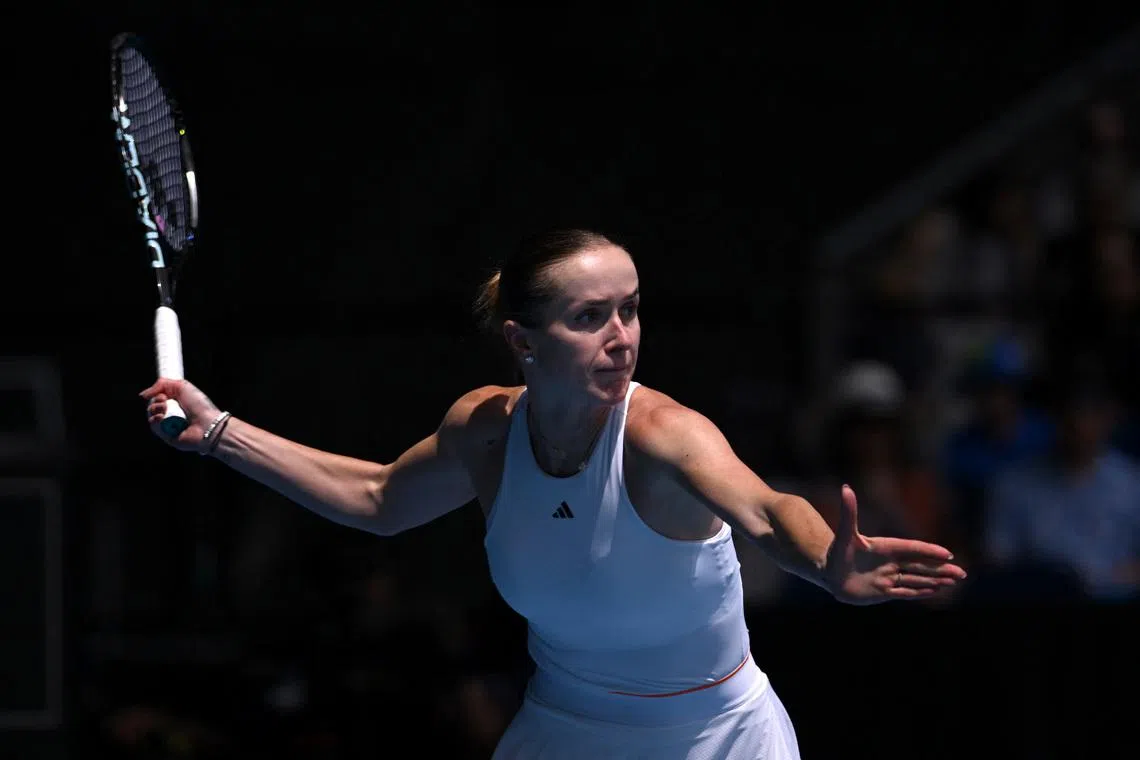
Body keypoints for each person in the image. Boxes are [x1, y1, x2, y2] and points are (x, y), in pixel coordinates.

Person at [141, 229, 967, 758]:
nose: (623, 337)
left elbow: (763, 509)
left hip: (718, 739)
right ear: (523, 341)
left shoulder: (664, 435)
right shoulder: (486, 432)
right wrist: (220, 433)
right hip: (564, 733)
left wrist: (829, 559)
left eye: (632, 311)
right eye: (592, 317)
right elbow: (378, 498)